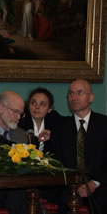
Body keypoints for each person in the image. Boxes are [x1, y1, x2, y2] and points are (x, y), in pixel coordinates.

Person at [55, 79, 107, 214]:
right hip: (70, 185)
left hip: (100, 183)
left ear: (91, 98)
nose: (74, 97)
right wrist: (75, 184)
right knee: (63, 201)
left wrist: (94, 183)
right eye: (71, 94)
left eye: (79, 93)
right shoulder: (61, 127)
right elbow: (58, 163)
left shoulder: (104, 124)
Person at [19, 87, 64, 154]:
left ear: (49, 109)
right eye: (33, 103)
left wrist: (52, 136)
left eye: (42, 104)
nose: (37, 107)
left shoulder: (55, 122)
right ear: (28, 105)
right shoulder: (20, 123)